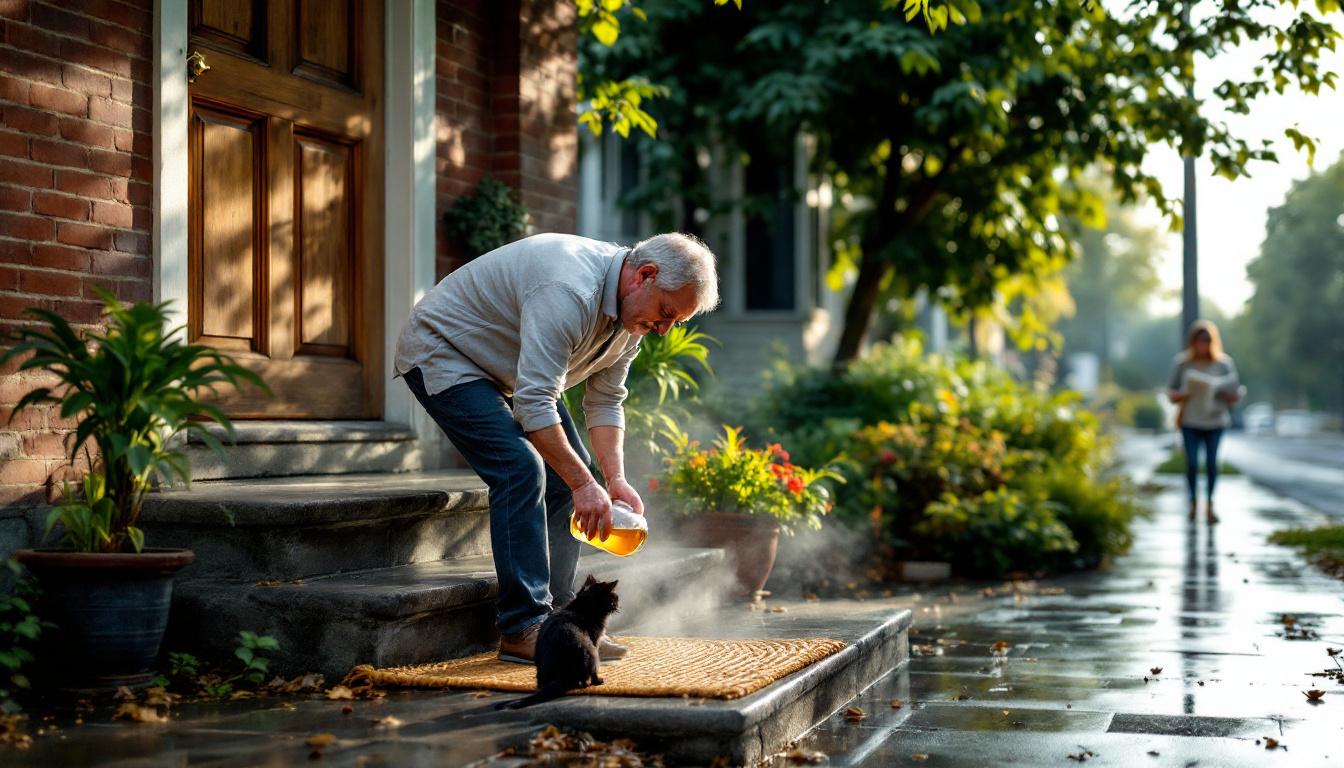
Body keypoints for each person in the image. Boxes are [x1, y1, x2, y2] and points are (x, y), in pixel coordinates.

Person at [394, 232, 719, 663]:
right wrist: (585, 483)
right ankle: (522, 626)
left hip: (507, 367)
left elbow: (605, 402)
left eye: (674, 321)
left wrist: (614, 480)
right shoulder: (567, 290)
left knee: (573, 474)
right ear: (645, 275)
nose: (663, 330)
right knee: (520, 467)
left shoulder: (632, 318)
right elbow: (534, 402)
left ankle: (564, 624)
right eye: (665, 314)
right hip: (444, 350)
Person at [1166, 320, 1242, 524]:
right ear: (1193, 341)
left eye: (1207, 340)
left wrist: (1223, 393)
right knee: (1192, 462)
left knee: (1211, 462)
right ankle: (1192, 502)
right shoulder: (1182, 363)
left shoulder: (1224, 364)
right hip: (1190, 420)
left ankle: (1210, 503)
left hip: (1215, 421)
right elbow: (1171, 394)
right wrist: (1185, 393)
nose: (1203, 344)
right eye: (1200, 340)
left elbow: (1234, 395)